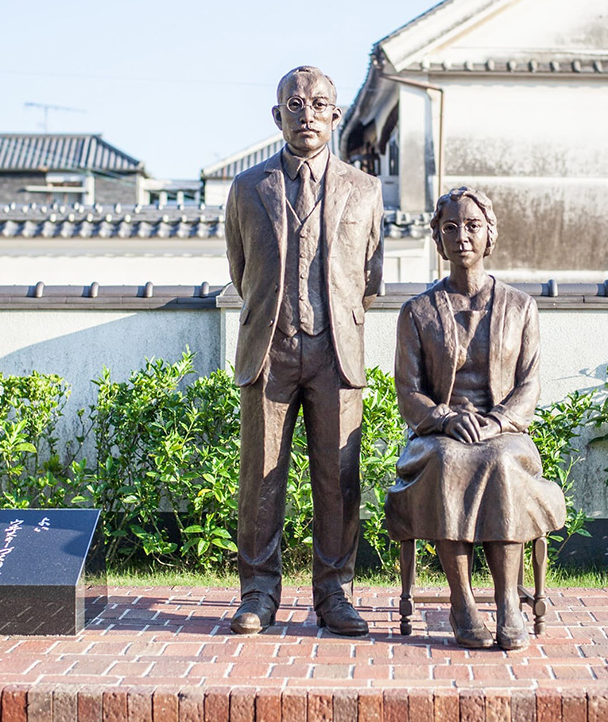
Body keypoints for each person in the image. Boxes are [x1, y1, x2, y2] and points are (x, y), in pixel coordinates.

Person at [224, 66, 384, 636]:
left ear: (335, 116)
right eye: (295, 104)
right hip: (268, 348)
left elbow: (369, 275)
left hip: (336, 351)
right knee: (260, 476)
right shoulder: (246, 188)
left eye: (319, 104)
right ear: (278, 116)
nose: (307, 113)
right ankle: (258, 593)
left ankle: (334, 594)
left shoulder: (365, 190)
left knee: (338, 477)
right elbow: (242, 272)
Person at [385, 187, 565, 651]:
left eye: (472, 226)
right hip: (437, 437)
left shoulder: (521, 307)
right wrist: (444, 419)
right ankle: (461, 601)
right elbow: (408, 392)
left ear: (489, 235)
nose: (461, 235)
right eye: (450, 228)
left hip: (503, 434)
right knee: (449, 461)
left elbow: (530, 385)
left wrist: (499, 420)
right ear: (437, 240)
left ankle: (507, 601)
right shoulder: (417, 312)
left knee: (502, 462)